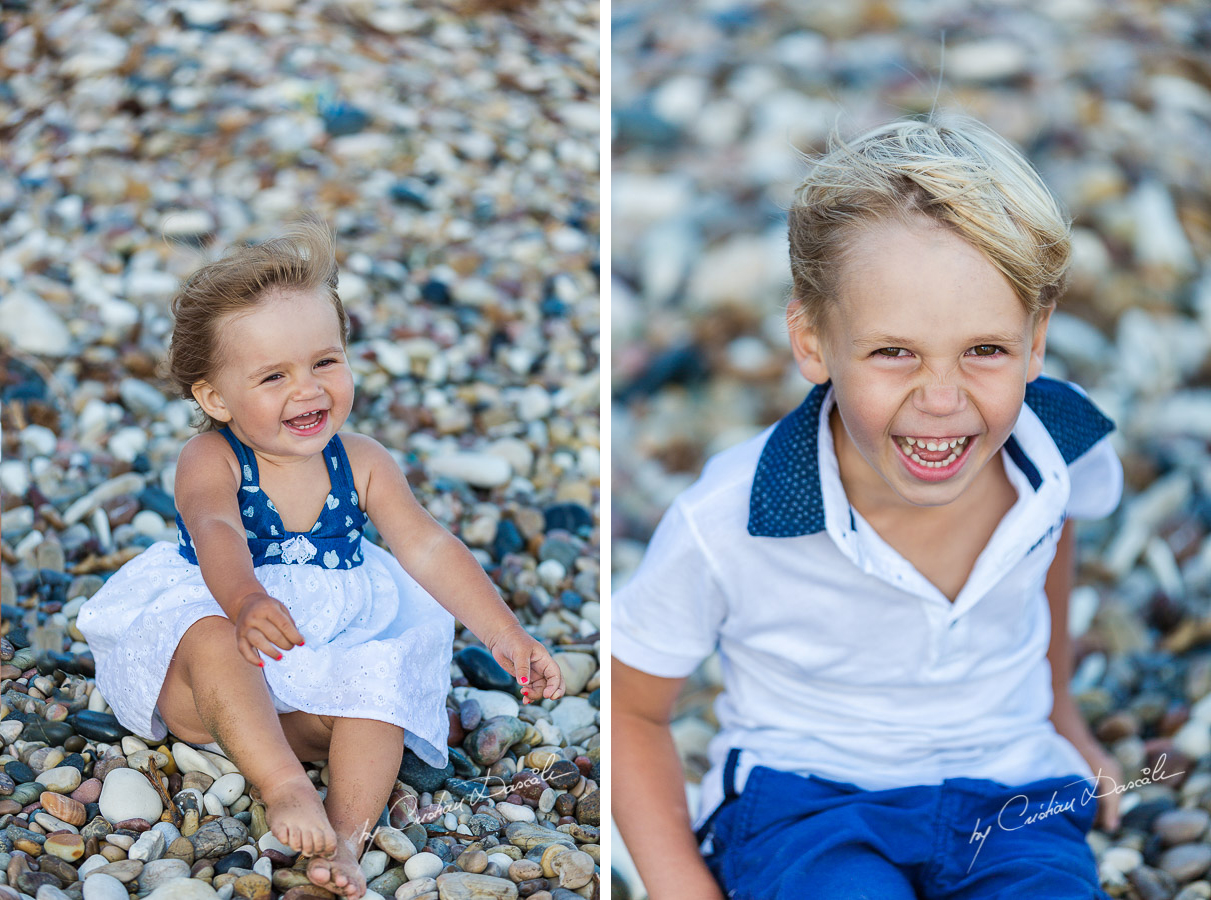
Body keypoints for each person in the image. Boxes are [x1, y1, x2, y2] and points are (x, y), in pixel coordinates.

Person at [612, 115, 1124, 900]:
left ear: (1035, 339)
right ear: (812, 340)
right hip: (806, 803)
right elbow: (629, 709)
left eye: (985, 350)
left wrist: (1061, 712)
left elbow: (1050, 537)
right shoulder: (728, 517)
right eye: (894, 352)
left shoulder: (1065, 439)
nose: (943, 399)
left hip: (1013, 789)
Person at [78, 218, 565, 899]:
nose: (307, 391)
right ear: (215, 398)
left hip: (317, 679)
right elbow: (215, 528)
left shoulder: (361, 461)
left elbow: (425, 543)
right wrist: (246, 600)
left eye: (325, 362)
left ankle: (345, 836)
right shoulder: (212, 458)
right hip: (219, 678)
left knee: (381, 681)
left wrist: (506, 634)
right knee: (211, 635)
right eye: (273, 376)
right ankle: (282, 787)